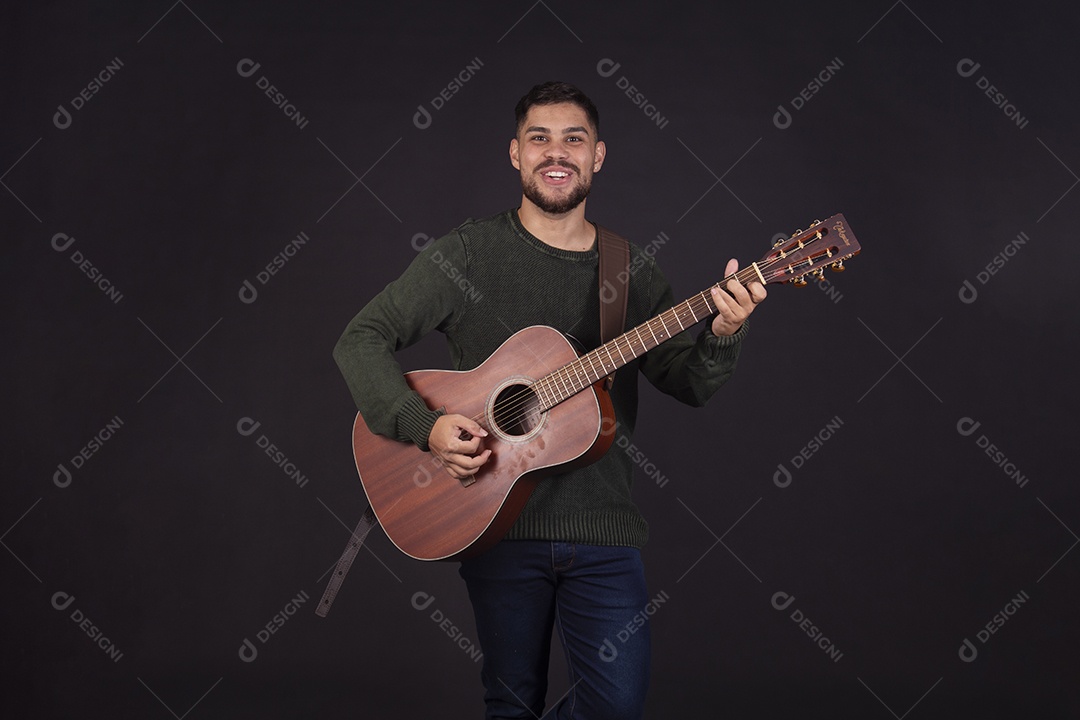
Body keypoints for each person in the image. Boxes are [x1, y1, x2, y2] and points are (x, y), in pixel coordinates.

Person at [333, 81, 766, 720]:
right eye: (540, 138)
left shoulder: (629, 269)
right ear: (515, 154)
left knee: (615, 704)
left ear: (599, 156)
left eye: (574, 139)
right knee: (510, 701)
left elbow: (689, 384)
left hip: (604, 530)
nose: (555, 152)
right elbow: (360, 339)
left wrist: (724, 332)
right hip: (493, 518)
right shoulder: (469, 253)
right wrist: (424, 427)